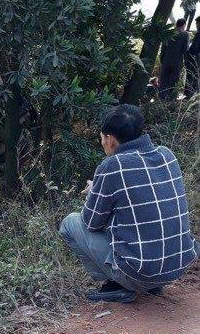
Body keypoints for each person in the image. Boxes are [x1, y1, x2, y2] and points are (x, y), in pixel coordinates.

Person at [60, 104, 199, 303]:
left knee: (70, 222)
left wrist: (94, 192)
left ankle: (116, 285)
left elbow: (91, 223)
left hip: (140, 273)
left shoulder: (112, 166)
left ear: (110, 139)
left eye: (101, 138)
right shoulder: (167, 154)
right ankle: (152, 285)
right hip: (178, 267)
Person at [158, 19, 189, 100]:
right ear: (184, 25)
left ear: (177, 24)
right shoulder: (185, 34)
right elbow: (185, 50)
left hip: (166, 60)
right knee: (174, 82)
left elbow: (163, 47)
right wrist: (186, 62)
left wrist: (162, 59)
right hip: (177, 62)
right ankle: (171, 101)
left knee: (164, 82)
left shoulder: (168, 32)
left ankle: (162, 100)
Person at [184, 16, 200, 99]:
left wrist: (188, 52)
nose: (196, 25)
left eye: (197, 23)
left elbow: (195, 48)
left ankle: (190, 96)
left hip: (195, 60)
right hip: (196, 60)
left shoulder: (199, 34)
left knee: (192, 78)